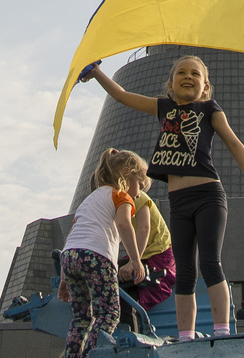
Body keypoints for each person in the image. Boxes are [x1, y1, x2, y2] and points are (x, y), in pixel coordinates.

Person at [81, 54, 244, 340]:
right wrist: (97, 72)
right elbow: (123, 95)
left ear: (205, 86)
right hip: (178, 202)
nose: (188, 77)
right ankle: (186, 335)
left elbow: (233, 141)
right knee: (185, 271)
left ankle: (222, 330)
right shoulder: (163, 107)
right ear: (170, 83)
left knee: (210, 263)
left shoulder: (209, 109)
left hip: (208, 195)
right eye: (181, 73)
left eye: (195, 74)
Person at [58, 148, 145, 357]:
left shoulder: (88, 200)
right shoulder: (121, 195)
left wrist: (63, 280)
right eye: (140, 185)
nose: (139, 193)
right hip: (97, 257)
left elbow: (71, 238)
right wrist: (136, 260)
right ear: (127, 173)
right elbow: (124, 224)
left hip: (70, 258)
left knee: (81, 318)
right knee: (109, 313)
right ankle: (92, 354)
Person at [114, 155, 176, 324]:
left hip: (158, 258)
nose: (139, 191)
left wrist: (134, 262)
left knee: (128, 297)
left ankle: (130, 329)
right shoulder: (120, 200)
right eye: (139, 185)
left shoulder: (140, 198)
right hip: (142, 256)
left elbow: (144, 228)